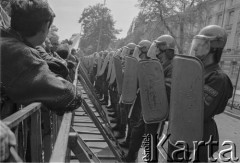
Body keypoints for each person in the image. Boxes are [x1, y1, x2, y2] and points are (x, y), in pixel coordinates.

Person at [0, 0, 82, 118]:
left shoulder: (5, 39)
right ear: (44, 27)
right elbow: (67, 95)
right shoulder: (21, 53)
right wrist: (76, 93)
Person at [167, 25, 233, 162]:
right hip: (181, 132)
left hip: (198, 138)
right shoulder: (196, 70)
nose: (196, 48)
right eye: (196, 43)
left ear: (214, 48)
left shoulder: (218, 78)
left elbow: (198, 111)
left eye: (201, 44)